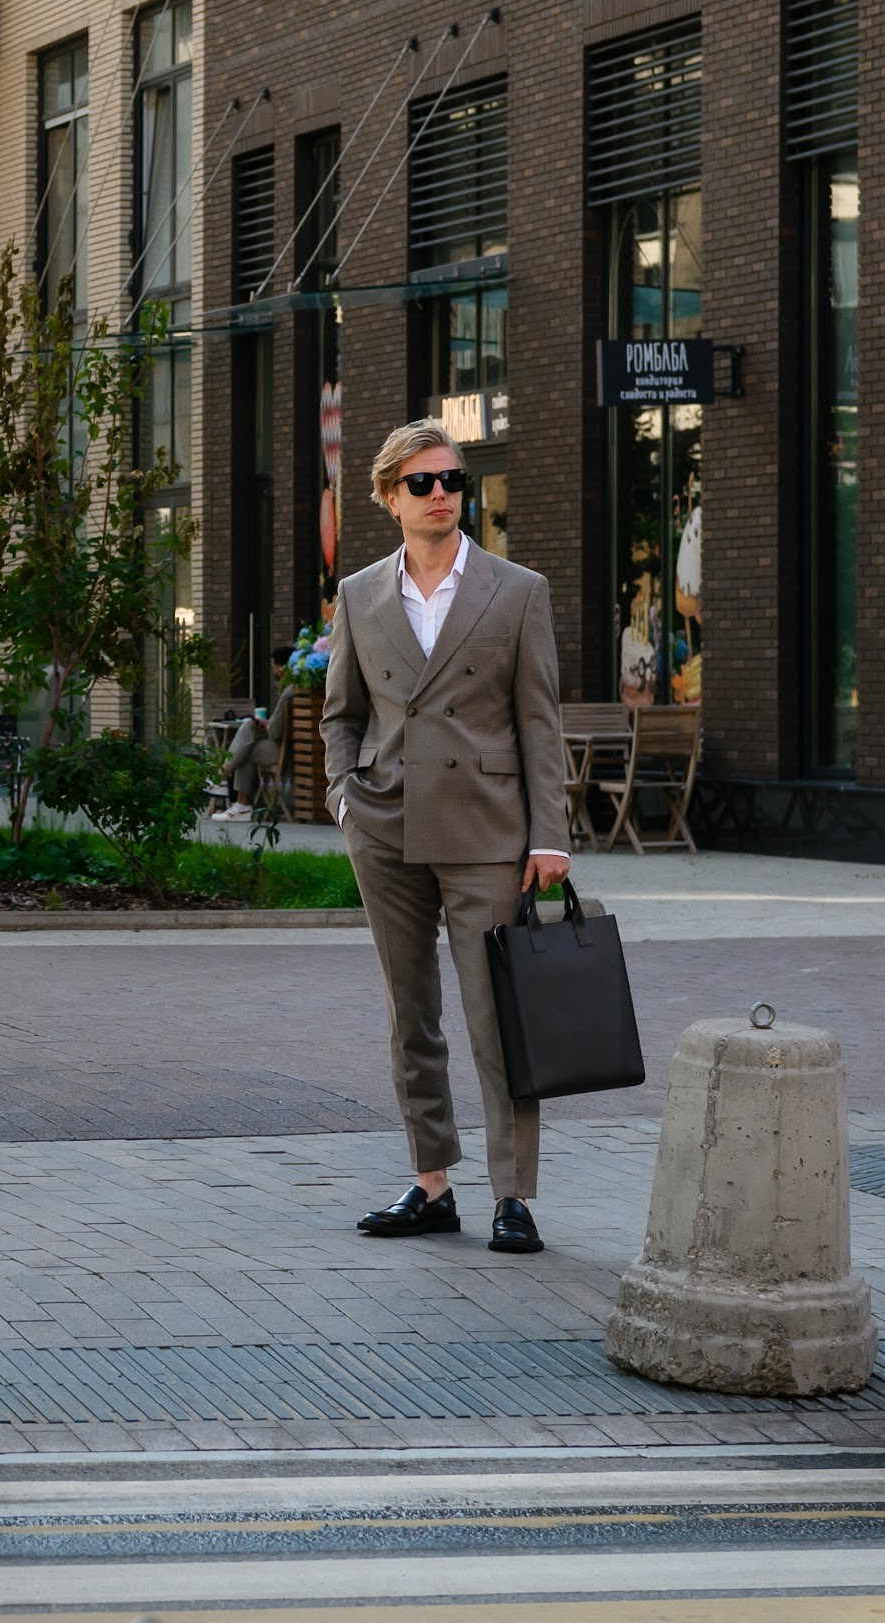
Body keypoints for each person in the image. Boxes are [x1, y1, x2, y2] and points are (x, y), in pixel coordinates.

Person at [322, 419, 571, 1256]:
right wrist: (344, 798)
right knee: (410, 1013)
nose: (441, 495)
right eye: (422, 483)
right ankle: (431, 1182)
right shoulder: (359, 594)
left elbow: (539, 722)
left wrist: (550, 835)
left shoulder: (517, 589)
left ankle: (513, 1194)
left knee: (497, 1016)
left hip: (486, 827)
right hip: (386, 824)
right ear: (389, 497)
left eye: (452, 480)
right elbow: (341, 714)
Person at [217, 652, 297, 820]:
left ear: (282, 668)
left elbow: (274, 732)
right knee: (246, 742)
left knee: (246, 738)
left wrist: (267, 725)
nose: (274, 672)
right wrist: (267, 723)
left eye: (274, 667)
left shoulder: (288, 692)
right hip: (294, 748)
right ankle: (238, 801)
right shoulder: (296, 689)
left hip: (284, 752)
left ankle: (224, 781)